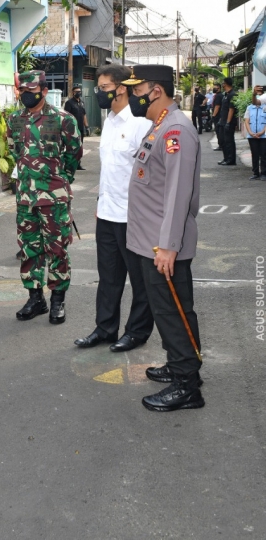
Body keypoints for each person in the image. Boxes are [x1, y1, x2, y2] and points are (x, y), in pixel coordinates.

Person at [123, 64, 204, 412]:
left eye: (137, 90)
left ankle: (187, 386)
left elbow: (177, 193)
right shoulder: (159, 126)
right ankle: (182, 364)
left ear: (156, 91)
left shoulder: (176, 131)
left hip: (161, 245)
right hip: (149, 241)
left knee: (172, 312)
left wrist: (168, 246)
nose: (131, 97)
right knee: (170, 310)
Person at [74, 65, 154, 352]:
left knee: (140, 280)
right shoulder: (109, 121)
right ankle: (105, 328)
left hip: (133, 217)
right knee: (108, 277)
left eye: (104, 87)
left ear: (122, 88)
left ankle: (136, 332)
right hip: (107, 213)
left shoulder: (140, 123)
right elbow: (110, 170)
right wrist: (100, 203)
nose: (99, 93)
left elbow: (151, 174)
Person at [7, 70, 82, 325]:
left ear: (44, 90)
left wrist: (60, 182)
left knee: (57, 249)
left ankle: (58, 301)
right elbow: (14, 152)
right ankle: (35, 298)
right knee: (29, 249)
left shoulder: (64, 119)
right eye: (23, 91)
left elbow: (74, 155)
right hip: (25, 198)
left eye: (32, 90)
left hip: (54, 198)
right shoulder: (14, 120)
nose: (27, 95)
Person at [244, 85, 266, 180]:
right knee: (255, 154)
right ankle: (255, 173)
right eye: (257, 95)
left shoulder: (265, 107)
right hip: (252, 135)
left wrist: (262, 131)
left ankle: (264, 173)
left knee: (264, 154)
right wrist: (250, 132)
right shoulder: (249, 108)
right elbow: (246, 121)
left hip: (264, 135)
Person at [64, 83, 89, 169]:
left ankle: (78, 164)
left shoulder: (82, 103)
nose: (78, 93)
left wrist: (87, 126)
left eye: (79, 91)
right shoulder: (69, 103)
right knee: (72, 147)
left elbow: (84, 115)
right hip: (72, 129)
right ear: (73, 92)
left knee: (80, 146)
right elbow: (66, 116)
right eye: (76, 91)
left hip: (81, 128)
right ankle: (70, 164)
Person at [218, 77, 237, 167]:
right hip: (223, 121)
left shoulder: (232, 95)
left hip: (229, 122)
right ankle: (226, 158)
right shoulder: (225, 95)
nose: (222, 84)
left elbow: (231, 110)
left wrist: (228, 123)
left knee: (229, 141)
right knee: (223, 141)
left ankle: (231, 159)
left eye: (223, 83)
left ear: (226, 84)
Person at [211, 82, 223, 151]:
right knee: (218, 131)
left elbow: (217, 106)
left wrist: (213, 115)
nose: (214, 89)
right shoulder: (219, 95)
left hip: (218, 116)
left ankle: (220, 145)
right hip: (219, 116)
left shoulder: (218, 96)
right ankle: (220, 145)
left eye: (215, 87)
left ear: (218, 88)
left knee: (218, 131)